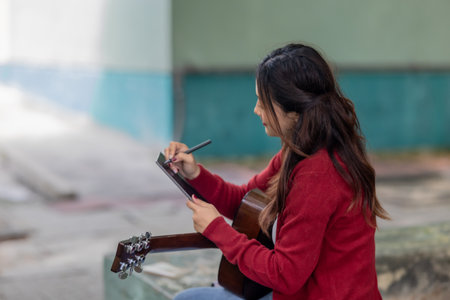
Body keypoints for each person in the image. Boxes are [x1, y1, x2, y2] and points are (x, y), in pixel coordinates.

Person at [165, 43, 389, 300]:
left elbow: (285, 274)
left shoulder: (318, 175)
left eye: (262, 102)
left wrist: (217, 230)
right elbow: (246, 202)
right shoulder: (300, 151)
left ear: (293, 111)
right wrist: (195, 175)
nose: (256, 109)